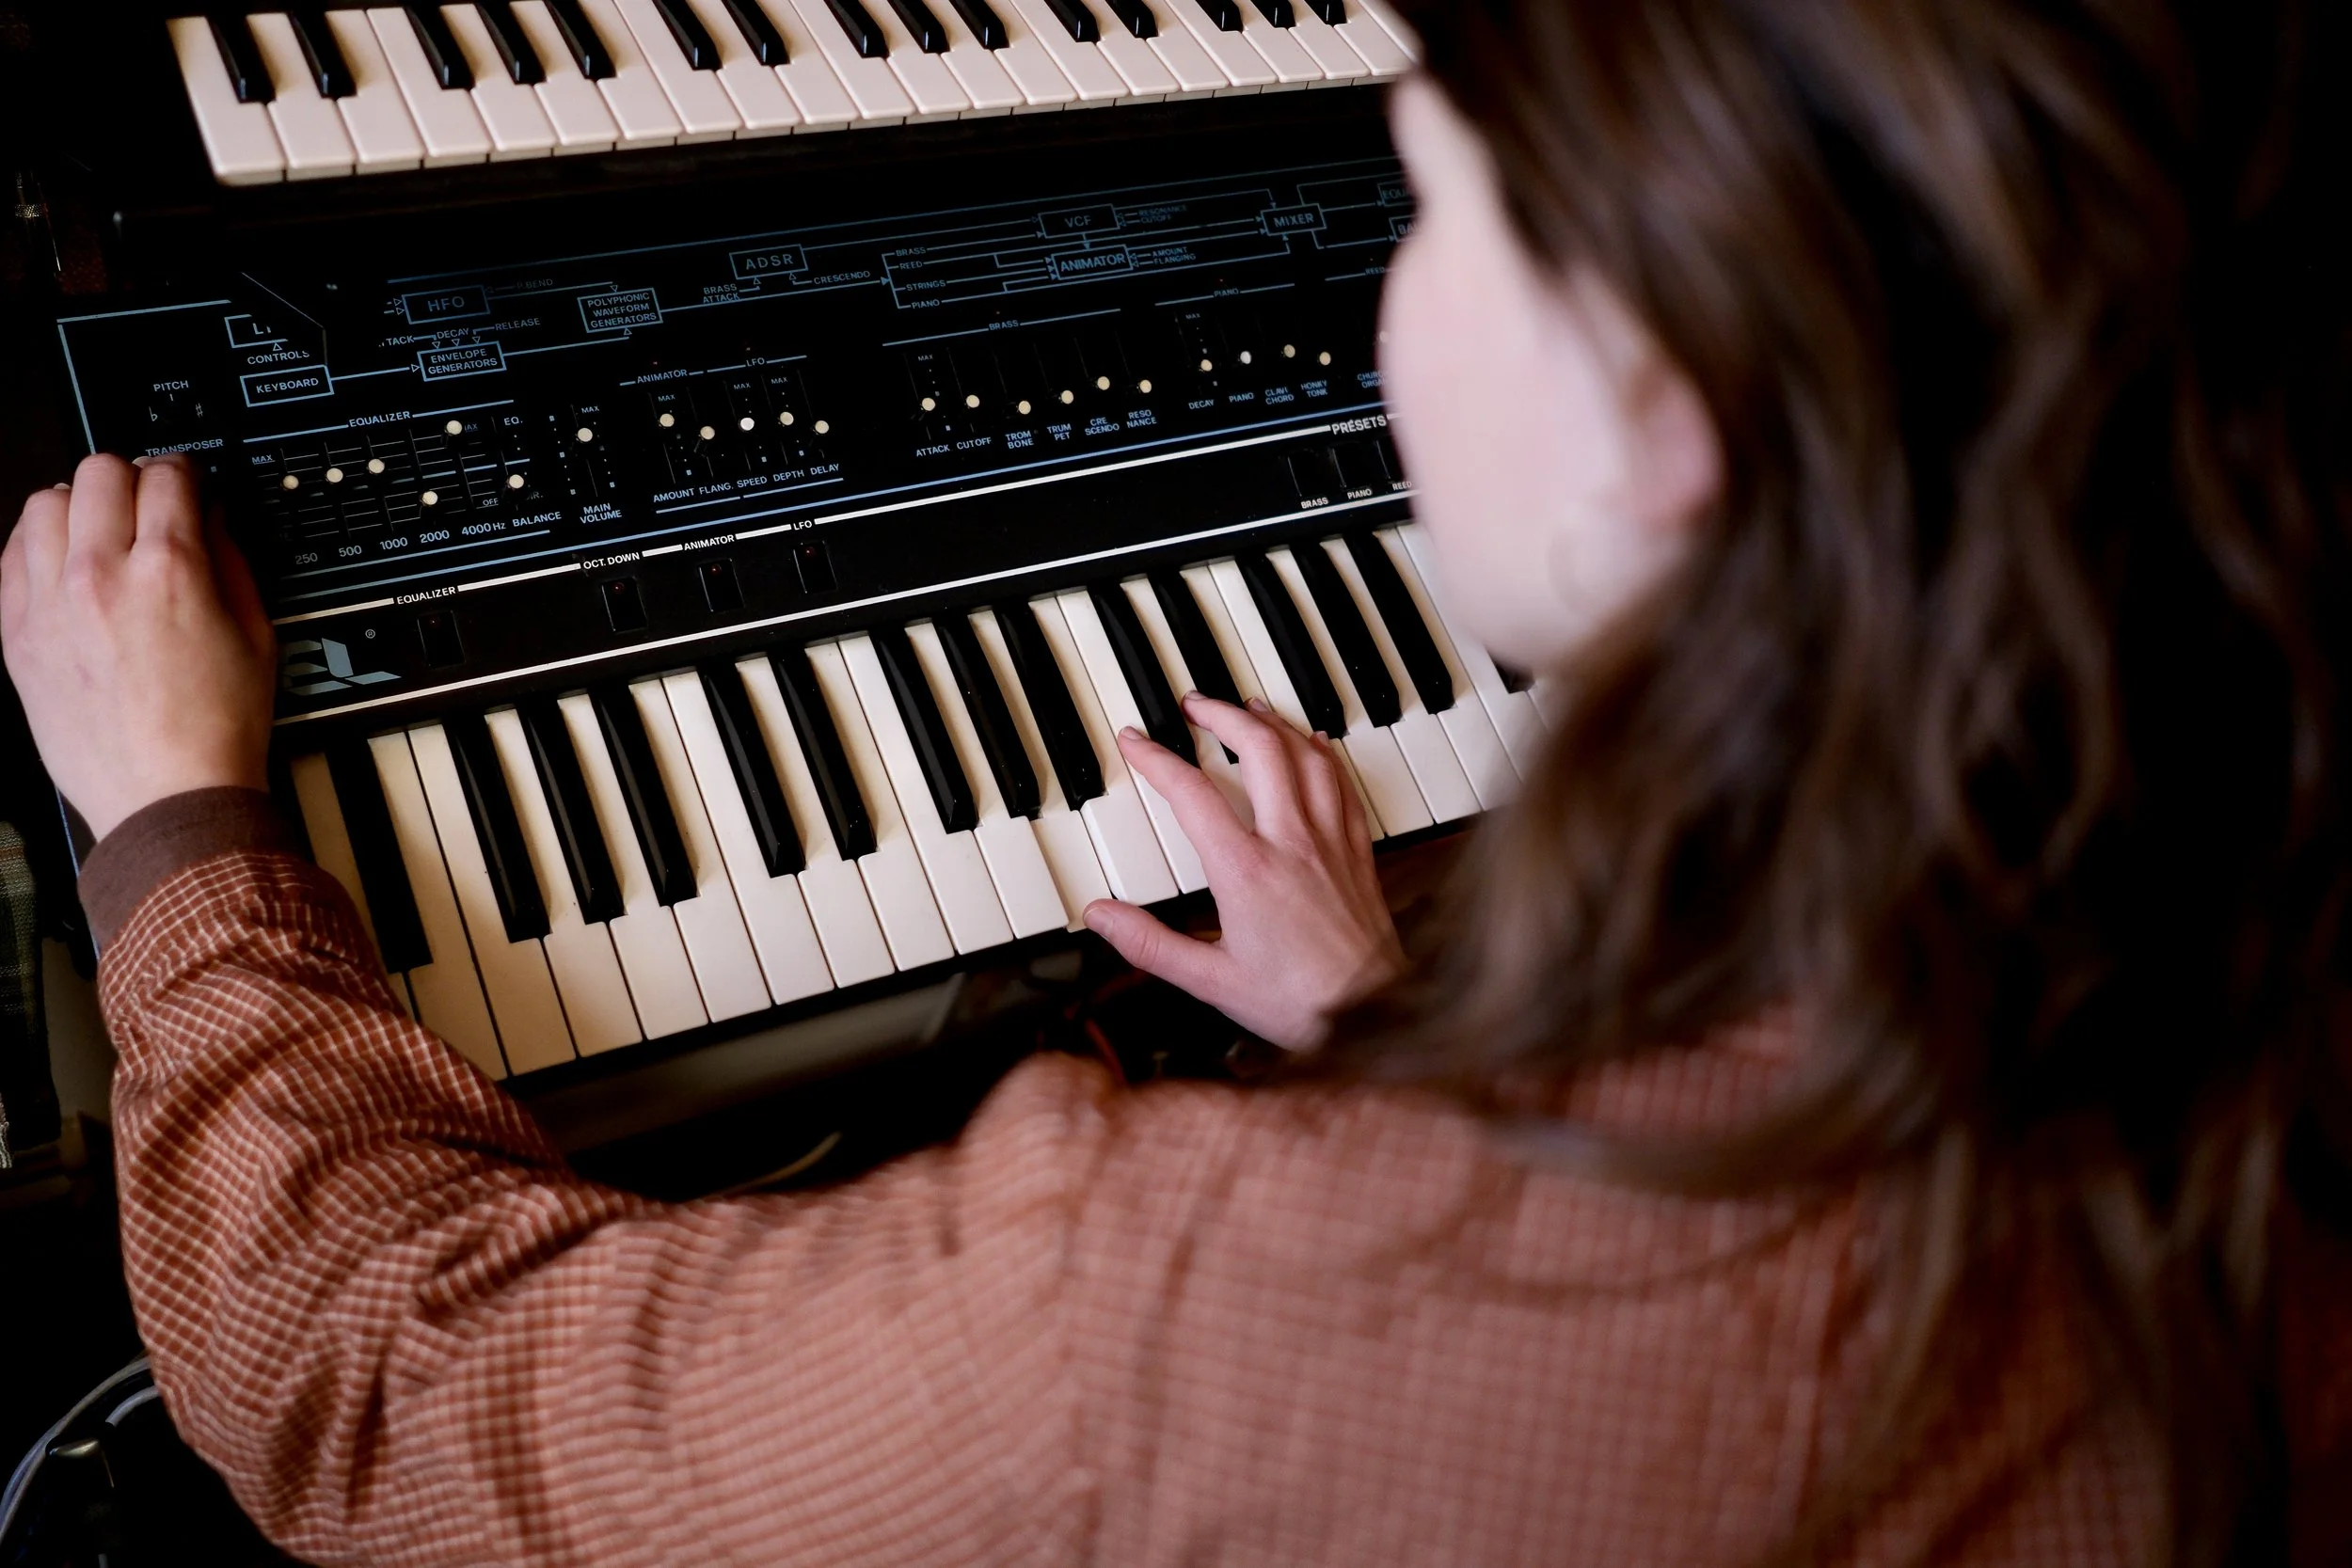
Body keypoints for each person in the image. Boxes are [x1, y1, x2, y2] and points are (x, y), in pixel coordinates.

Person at [5, 0, 2350, 1561]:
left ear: (1677, 422)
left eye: (1431, 201)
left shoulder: (1189, 1304)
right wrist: (1388, 1031)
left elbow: (387, 1396)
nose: (1384, 289)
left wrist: (174, 823)